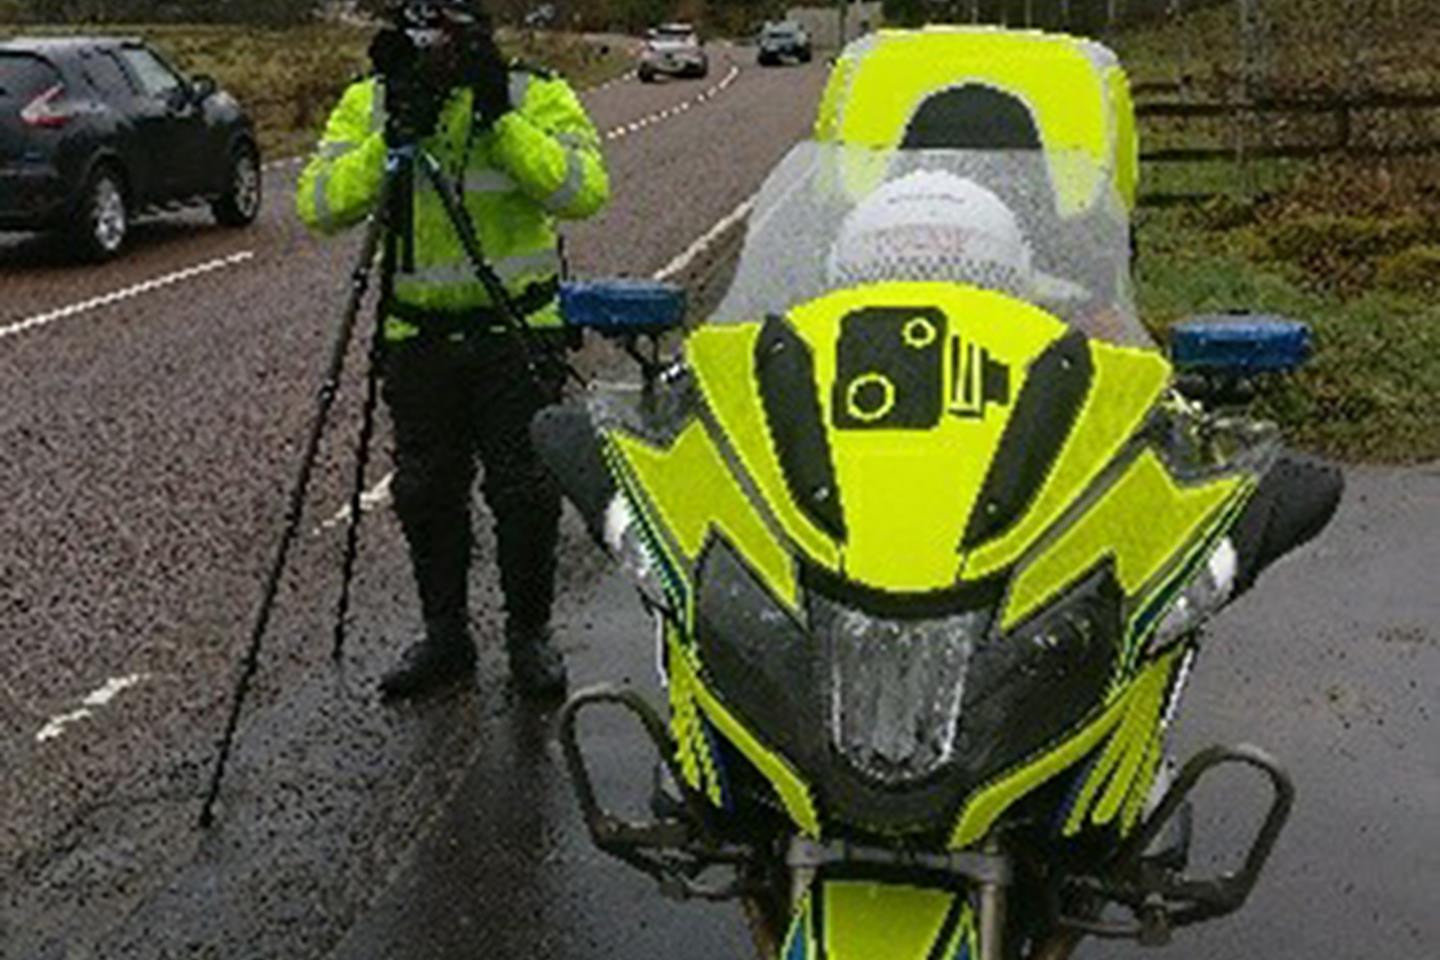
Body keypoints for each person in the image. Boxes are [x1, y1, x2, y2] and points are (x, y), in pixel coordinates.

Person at [297, 0, 609, 700]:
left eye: (447, 32)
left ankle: (529, 635)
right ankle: (446, 636)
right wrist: (393, 140)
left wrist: (501, 120)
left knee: (525, 493)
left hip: (515, 332)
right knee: (425, 493)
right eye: (420, 30)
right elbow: (318, 204)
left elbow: (583, 191)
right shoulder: (375, 100)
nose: (432, 49)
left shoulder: (531, 91)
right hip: (419, 339)